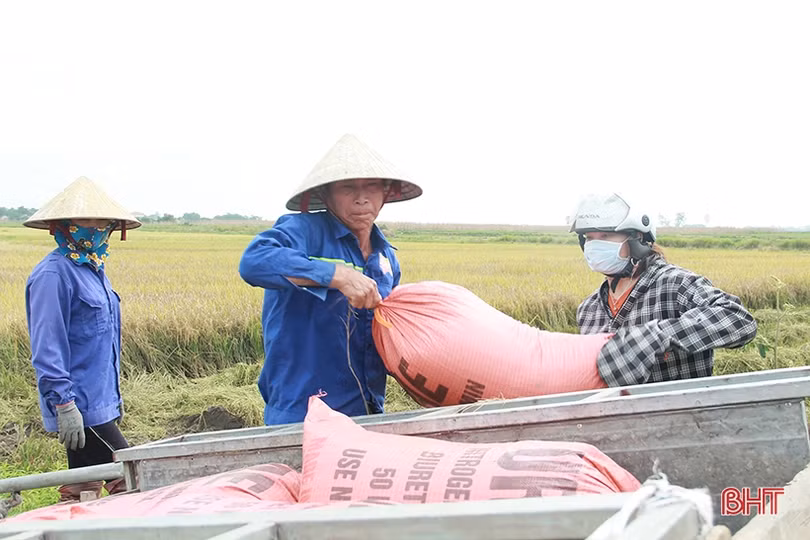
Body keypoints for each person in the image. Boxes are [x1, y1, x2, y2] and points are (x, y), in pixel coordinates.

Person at [239, 134, 423, 425]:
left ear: (386, 193)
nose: (362, 198)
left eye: (372, 187)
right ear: (326, 195)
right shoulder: (303, 231)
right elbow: (254, 261)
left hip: (368, 411)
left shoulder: (386, 258)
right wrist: (335, 275)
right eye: (348, 188)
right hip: (303, 412)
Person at [23, 176, 141, 502]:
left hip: (102, 402)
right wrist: (64, 404)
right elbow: (47, 347)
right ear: (64, 225)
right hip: (81, 407)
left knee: (82, 487)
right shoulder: (53, 275)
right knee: (132, 478)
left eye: (103, 220)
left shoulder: (94, 271)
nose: (97, 226)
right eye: (87, 219)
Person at [570, 193, 757, 387]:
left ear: (637, 239)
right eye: (589, 238)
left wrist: (658, 335)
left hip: (683, 414)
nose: (595, 245)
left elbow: (738, 319)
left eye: (605, 236)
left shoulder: (675, 285)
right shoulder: (589, 310)